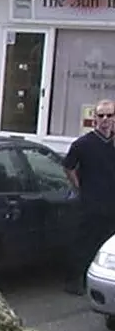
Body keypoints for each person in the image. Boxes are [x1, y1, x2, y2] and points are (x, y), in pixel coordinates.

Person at [62, 99, 115, 294]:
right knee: (85, 242)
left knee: (107, 245)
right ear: (95, 119)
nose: (105, 120)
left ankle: (99, 282)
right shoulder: (83, 144)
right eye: (101, 116)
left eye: (109, 115)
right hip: (91, 203)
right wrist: (79, 186)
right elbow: (68, 166)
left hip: (112, 204)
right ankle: (74, 280)